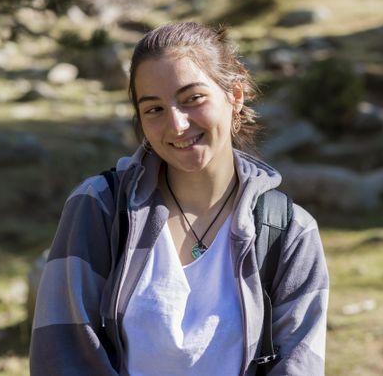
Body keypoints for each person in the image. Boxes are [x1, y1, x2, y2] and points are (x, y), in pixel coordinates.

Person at [30, 22, 329, 375]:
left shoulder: (289, 232)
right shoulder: (100, 208)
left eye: (192, 99)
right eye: (154, 109)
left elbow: (299, 365)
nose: (177, 125)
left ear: (235, 96)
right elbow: (62, 355)